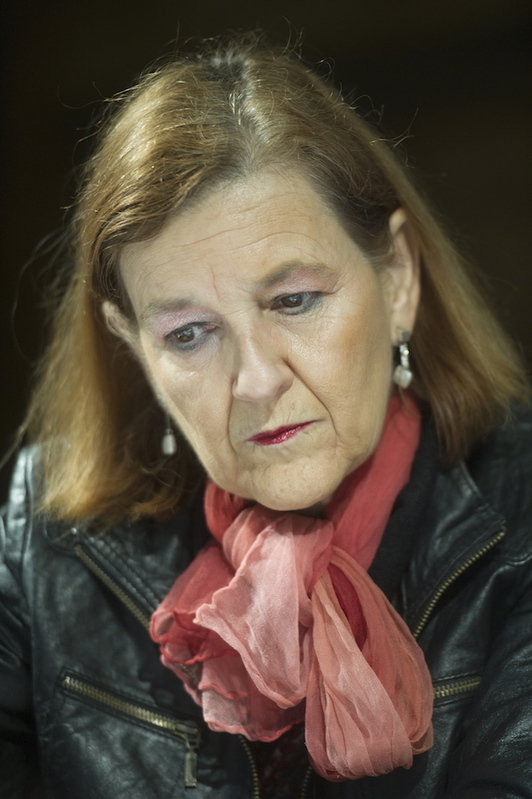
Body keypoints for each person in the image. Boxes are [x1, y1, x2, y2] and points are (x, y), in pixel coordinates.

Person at [1, 33, 531, 799]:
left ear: (399, 279)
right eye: (188, 334)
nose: (254, 379)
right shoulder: (39, 533)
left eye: (294, 301)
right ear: (134, 349)